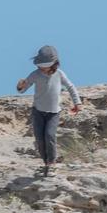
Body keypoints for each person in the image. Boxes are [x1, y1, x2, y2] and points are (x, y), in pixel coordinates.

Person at [16, 45, 81, 176]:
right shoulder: (35, 74)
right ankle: (46, 163)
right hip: (38, 111)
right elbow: (24, 88)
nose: (42, 67)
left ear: (54, 64)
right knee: (40, 139)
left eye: (45, 65)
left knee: (49, 136)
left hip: (54, 113)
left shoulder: (59, 74)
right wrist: (20, 86)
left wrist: (77, 102)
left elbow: (70, 87)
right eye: (40, 65)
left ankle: (52, 163)